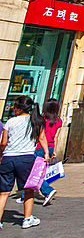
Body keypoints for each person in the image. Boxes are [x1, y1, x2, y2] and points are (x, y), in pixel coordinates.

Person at [0, 96, 45, 228]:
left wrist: (1, 154)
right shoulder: (36, 121)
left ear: (19, 109)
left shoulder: (10, 122)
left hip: (8, 158)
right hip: (26, 159)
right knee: (28, 190)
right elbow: (42, 138)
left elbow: (3, 142)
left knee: (3, 192)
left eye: (14, 106)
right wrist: (47, 154)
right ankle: (27, 219)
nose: (12, 109)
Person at [18, 98, 60, 207]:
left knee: (33, 173)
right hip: (49, 148)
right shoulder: (58, 120)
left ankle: (47, 190)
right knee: (36, 172)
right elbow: (55, 138)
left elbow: (39, 136)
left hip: (40, 148)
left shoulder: (42, 119)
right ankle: (24, 196)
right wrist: (53, 151)